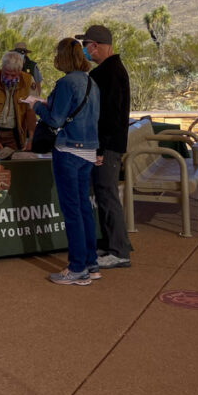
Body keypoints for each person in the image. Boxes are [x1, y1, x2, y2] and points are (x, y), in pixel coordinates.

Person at [25, 38, 100, 285]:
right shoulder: (91, 83)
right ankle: (90, 263)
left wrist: (36, 106)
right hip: (88, 150)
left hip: (68, 150)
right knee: (84, 208)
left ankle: (77, 267)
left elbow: (56, 120)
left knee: (72, 211)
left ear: (64, 57)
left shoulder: (66, 82)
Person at [78, 24, 133, 269]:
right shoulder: (113, 70)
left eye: (85, 46)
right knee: (103, 194)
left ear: (95, 45)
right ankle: (113, 243)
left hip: (106, 146)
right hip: (110, 144)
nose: (85, 51)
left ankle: (119, 251)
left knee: (107, 194)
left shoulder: (106, 74)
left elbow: (108, 116)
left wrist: (99, 149)